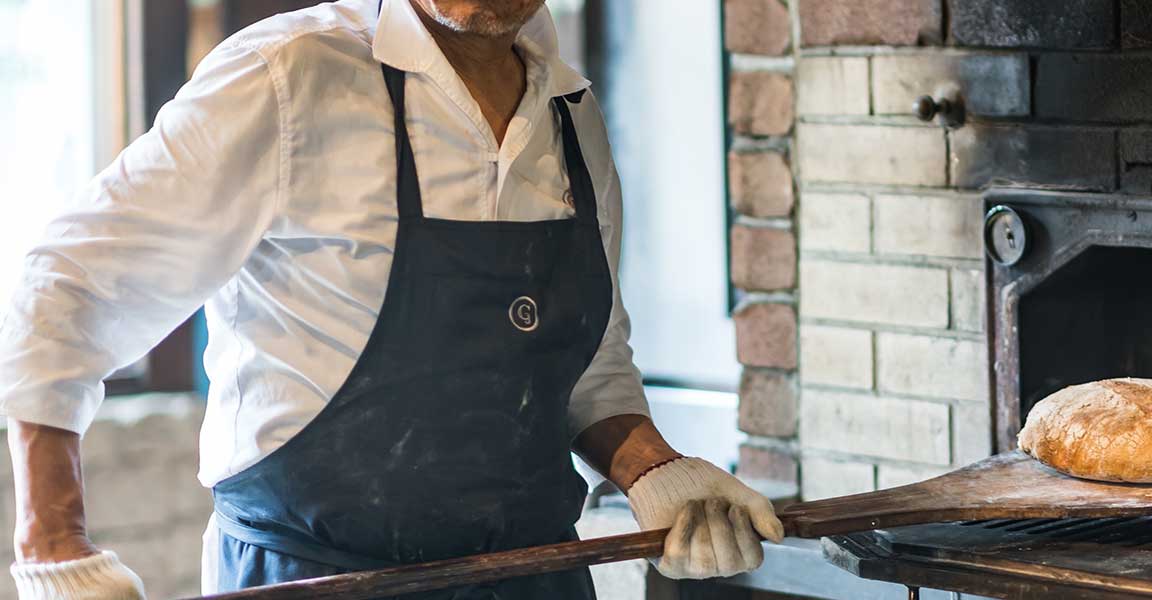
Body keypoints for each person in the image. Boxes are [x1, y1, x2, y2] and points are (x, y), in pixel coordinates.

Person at [0, 0, 782, 597]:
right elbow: (69, 283)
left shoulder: (570, 115)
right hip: (316, 578)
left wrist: (657, 472)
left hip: (534, 578)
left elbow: (586, 361)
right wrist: (53, 547)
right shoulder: (291, 74)